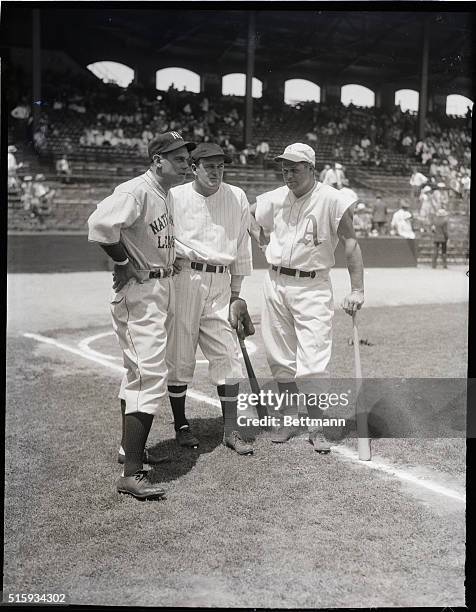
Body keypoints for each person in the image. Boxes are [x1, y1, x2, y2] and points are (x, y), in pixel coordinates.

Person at [87, 131, 196, 501]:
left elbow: (151, 237)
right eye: (179, 159)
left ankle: (128, 451)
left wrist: (173, 255)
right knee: (149, 373)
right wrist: (122, 261)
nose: (186, 165)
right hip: (140, 293)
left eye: (186, 159)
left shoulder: (162, 194)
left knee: (139, 372)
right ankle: (130, 473)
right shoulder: (136, 190)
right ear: (157, 160)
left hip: (159, 285)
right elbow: (101, 226)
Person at [253, 143, 364, 452]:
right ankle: (289, 418)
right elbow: (250, 216)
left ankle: (316, 422)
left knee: (313, 359)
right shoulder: (275, 198)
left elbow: (351, 243)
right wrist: (261, 242)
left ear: (312, 169)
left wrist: (357, 289)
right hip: (275, 282)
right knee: (280, 356)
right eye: (285, 169)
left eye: (296, 168)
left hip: (313, 284)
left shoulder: (332, 199)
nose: (289, 175)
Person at [166, 143, 255, 454]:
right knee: (179, 354)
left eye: (220, 166)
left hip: (221, 280)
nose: (215, 172)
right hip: (184, 278)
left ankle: (230, 430)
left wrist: (236, 295)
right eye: (209, 166)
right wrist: (167, 257)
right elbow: (160, 236)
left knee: (228, 355)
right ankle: (181, 425)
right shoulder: (175, 196)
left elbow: (243, 248)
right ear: (194, 168)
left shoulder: (237, 196)